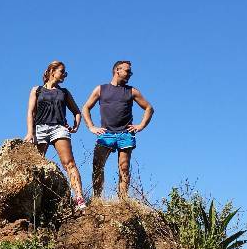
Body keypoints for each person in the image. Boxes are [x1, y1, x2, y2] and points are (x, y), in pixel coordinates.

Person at [82, 60, 155, 199]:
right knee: (97, 166)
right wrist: (91, 127)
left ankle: (123, 200)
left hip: (125, 134)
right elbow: (86, 107)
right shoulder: (100, 89)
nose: (130, 74)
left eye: (130, 72)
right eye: (128, 71)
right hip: (106, 134)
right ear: (117, 70)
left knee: (124, 168)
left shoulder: (132, 91)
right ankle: (97, 199)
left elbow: (149, 108)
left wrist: (140, 125)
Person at [24, 60, 87, 211]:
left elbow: (77, 112)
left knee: (69, 163)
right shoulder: (36, 90)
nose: (64, 75)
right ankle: (35, 202)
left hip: (59, 128)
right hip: (40, 129)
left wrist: (75, 126)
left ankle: (79, 198)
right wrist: (30, 132)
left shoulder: (64, 92)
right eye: (62, 71)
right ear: (52, 71)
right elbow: (31, 112)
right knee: (36, 165)